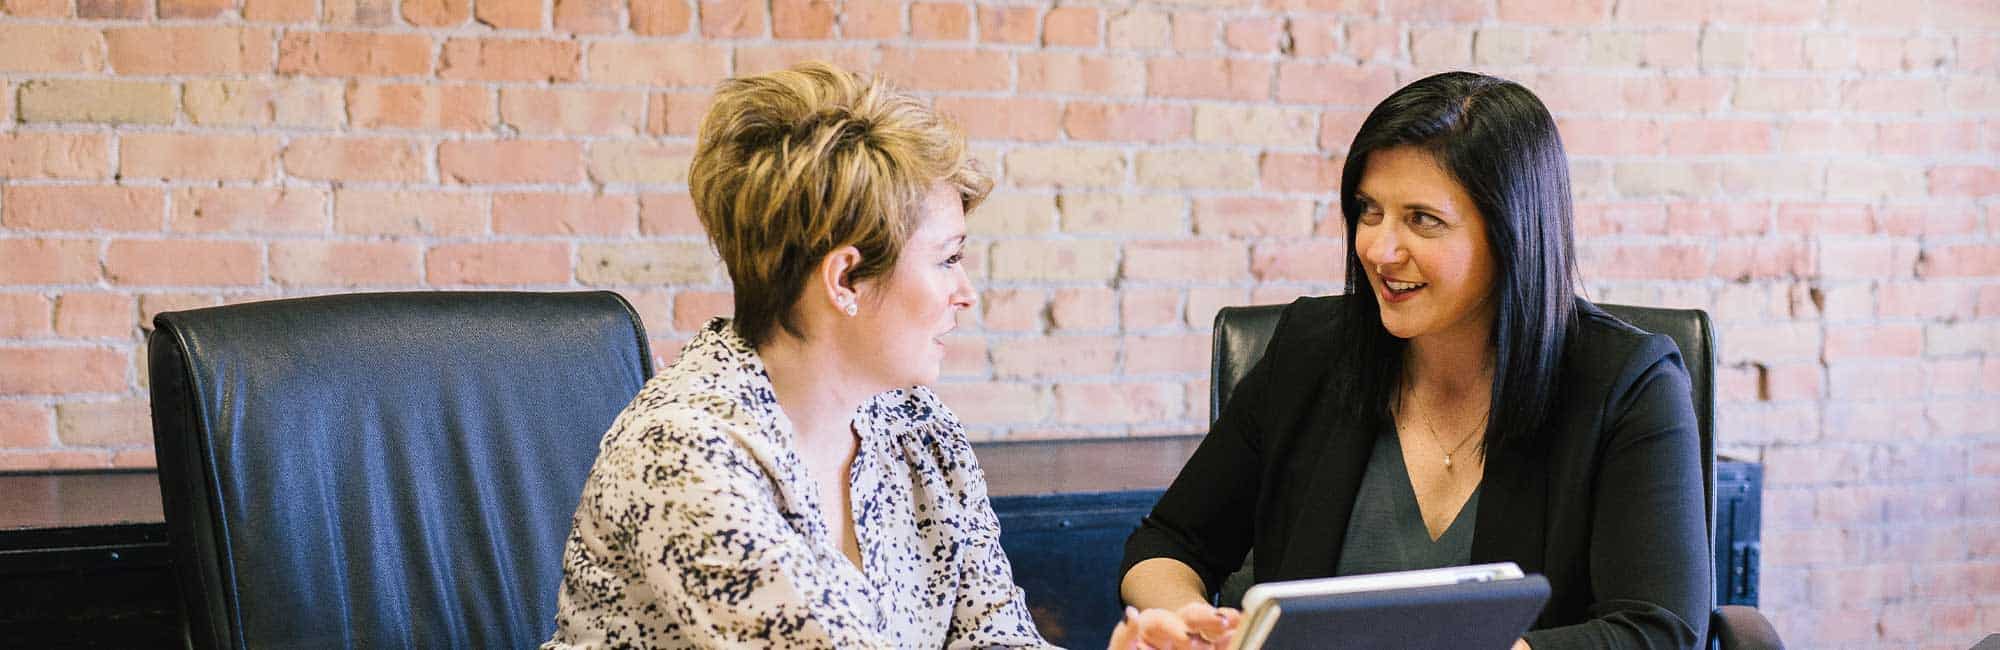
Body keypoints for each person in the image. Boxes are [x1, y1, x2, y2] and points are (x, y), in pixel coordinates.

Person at [1114, 71, 1712, 649]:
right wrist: (1190, 620)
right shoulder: (1311, 350)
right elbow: (1169, 542)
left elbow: (1656, 630)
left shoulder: (1628, 382)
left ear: (1513, 235)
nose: (1379, 248)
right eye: (1369, 211)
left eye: (1423, 220)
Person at [543, 62, 1052, 648]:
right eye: (946, 259)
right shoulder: (683, 452)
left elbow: (998, 636)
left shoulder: (920, 428)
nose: (965, 293)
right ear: (845, 279)